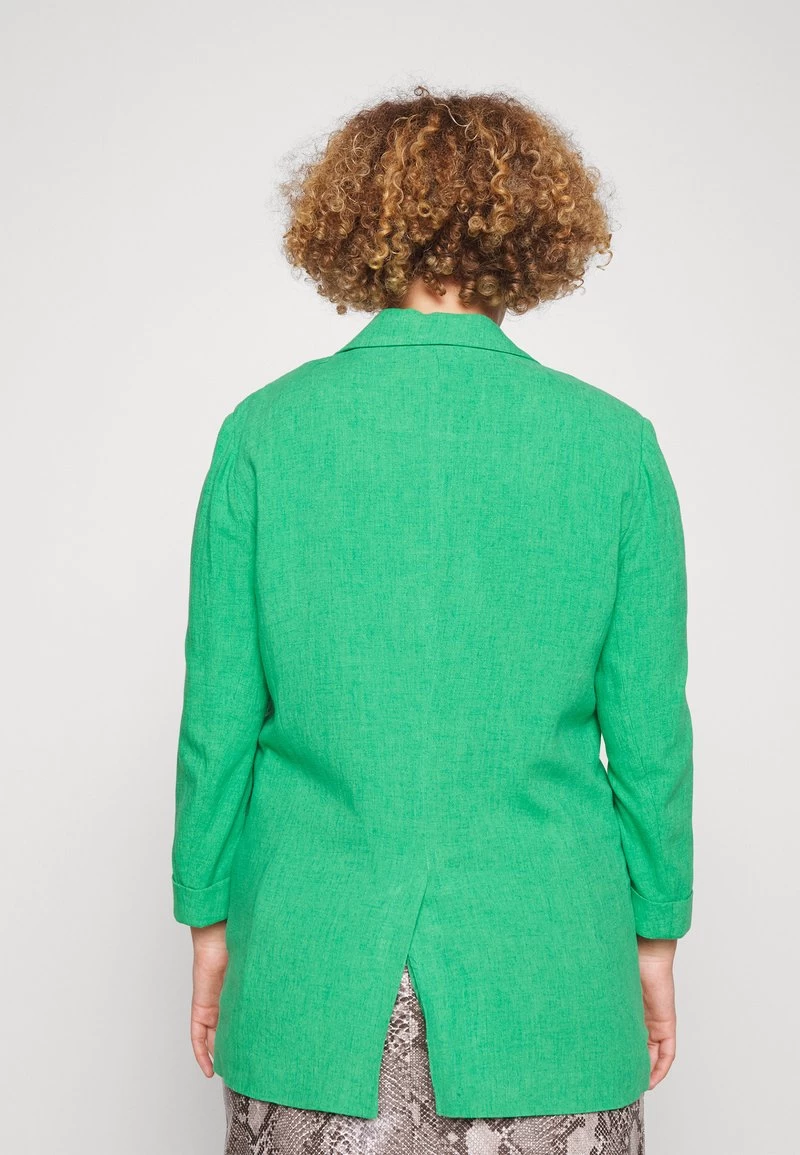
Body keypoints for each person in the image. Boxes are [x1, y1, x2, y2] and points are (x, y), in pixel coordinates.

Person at [171, 85, 693, 1155]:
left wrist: (208, 917)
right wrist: (654, 935)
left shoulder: (264, 434)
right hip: (549, 970)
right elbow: (649, 737)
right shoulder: (614, 445)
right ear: (533, 231)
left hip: (312, 965)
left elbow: (216, 722)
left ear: (356, 225)